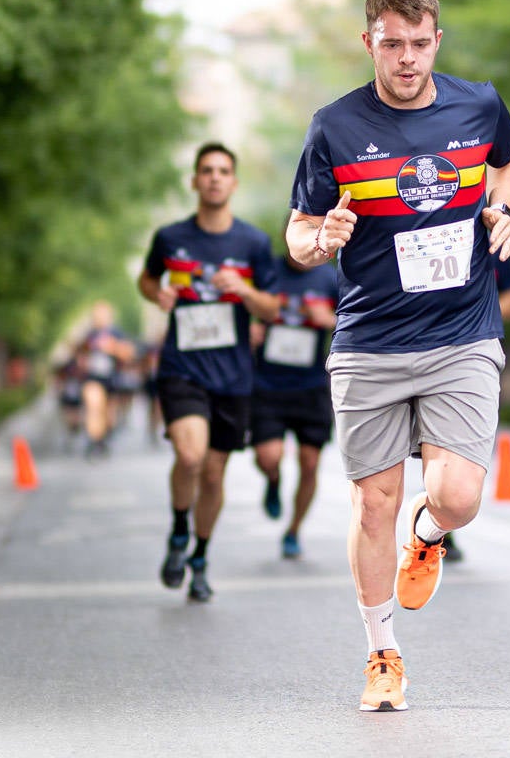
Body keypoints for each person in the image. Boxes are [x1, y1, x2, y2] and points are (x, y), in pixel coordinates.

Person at [285, 0, 510, 712]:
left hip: (462, 331)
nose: (408, 59)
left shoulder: (478, 103)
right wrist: (320, 238)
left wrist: (499, 207)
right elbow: (296, 232)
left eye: (420, 44)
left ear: (436, 41)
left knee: (458, 496)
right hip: (370, 342)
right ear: (371, 43)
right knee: (372, 502)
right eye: (393, 45)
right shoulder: (333, 127)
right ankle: (381, 652)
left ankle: (431, 532)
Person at [138, 142, 280, 603]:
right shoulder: (169, 237)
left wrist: (243, 289)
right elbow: (147, 277)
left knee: (215, 474)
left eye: (223, 171)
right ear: (195, 181)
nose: (215, 177)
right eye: (206, 170)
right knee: (192, 455)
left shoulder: (254, 243)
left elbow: (274, 308)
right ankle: (179, 528)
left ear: (233, 183)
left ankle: (199, 555)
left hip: (233, 375)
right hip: (182, 367)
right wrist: (155, 294)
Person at [250, 251, 340, 559]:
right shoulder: (267, 271)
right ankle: (273, 480)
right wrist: (250, 328)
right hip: (267, 384)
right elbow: (241, 305)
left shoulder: (330, 276)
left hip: (311, 386)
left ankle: (294, 530)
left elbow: (357, 320)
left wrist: (328, 320)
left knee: (310, 462)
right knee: (268, 457)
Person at [442, 251, 510, 563]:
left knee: (452, 447)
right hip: (415, 348)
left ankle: (442, 529)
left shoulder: (491, 242)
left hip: (470, 357)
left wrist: (475, 316)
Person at [77, 301, 134, 459]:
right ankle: (94, 441)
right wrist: (82, 360)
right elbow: (80, 352)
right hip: (93, 377)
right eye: (96, 314)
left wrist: (112, 347)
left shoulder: (116, 333)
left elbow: (130, 353)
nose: (98, 318)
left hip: (112, 378)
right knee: (93, 407)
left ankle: (103, 438)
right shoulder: (90, 334)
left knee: (109, 417)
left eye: (102, 314)